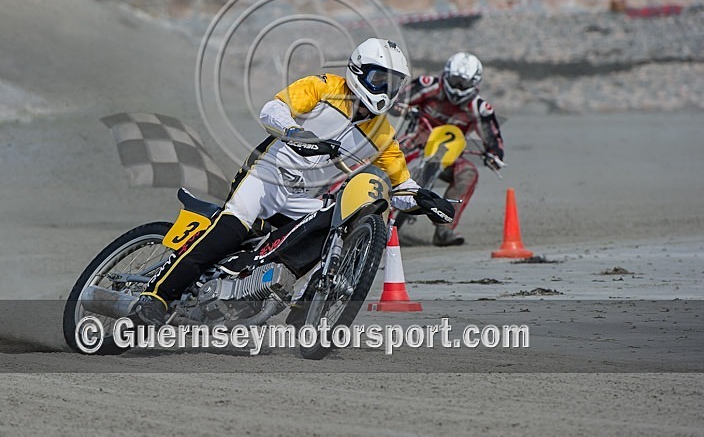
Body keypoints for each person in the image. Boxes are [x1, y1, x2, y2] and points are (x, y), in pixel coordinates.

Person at [129, 38, 454, 325]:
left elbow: (402, 189)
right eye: (378, 79)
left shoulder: (383, 133)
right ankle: (156, 297)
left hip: (297, 195)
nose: (385, 89)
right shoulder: (325, 86)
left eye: (393, 83)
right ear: (357, 71)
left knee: (329, 227)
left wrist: (424, 200)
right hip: (265, 176)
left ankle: (300, 301)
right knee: (226, 233)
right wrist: (296, 133)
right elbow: (273, 109)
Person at [393, 52, 505, 247]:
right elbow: (398, 100)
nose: (458, 88)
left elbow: (493, 138)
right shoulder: (428, 86)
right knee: (389, 156)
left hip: (447, 155)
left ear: (475, 84)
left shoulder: (480, 108)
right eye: (454, 81)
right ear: (446, 75)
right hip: (416, 140)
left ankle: (445, 230)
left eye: (464, 84)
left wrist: (495, 156)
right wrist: (402, 108)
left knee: (469, 172)